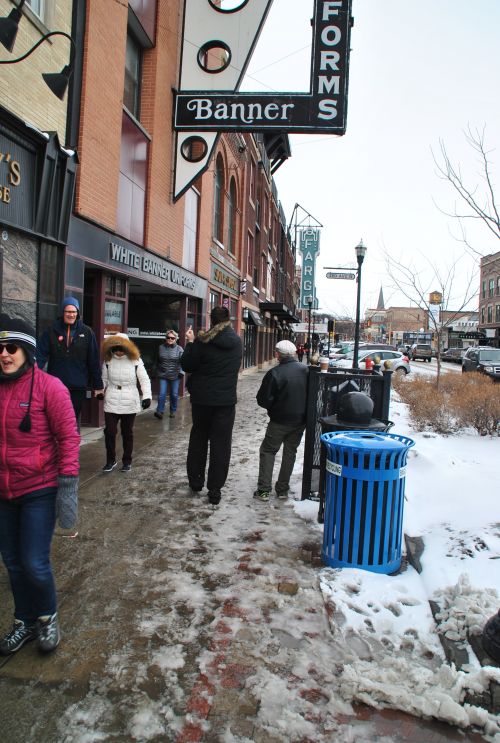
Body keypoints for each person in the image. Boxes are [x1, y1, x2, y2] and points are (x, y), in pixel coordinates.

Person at [0, 315, 80, 655]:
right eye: (0, 349)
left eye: (12, 348)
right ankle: (25, 620)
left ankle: (47, 617)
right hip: (4, 492)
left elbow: (69, 440)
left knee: (34, 562)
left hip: (39, 489)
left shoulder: (51, 388)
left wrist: (68, 493)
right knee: (13, 562)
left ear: (28, 352)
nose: (4, 354)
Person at [181, 306, 242, 505]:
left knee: (198, 439)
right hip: (225, 402)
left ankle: (196, 482)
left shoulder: (202, 341)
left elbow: (187, 365)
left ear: (212, 320)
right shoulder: (236, 343)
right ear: (229, 320)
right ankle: (215, 489)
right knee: (221, 444)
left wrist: (190, 343)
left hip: (202, 400)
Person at [253, 340, 309, 502]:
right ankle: (282, 489)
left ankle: (264, 490)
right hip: (299, 421)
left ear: (278, 354)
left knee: (268, 451)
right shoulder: (306, 371)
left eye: (275, 352)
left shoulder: (275, 373)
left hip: (279, 421)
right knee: (290, 453)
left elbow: (263, 400)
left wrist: (274, 405)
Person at [37, 296, 104, 423]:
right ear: (62, 313)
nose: (71, 315)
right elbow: (40, 356)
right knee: (54, 420)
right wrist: (31, 376)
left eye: (74, 312)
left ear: (78, 313)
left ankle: (70, 443)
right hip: (55, 385)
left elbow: (93, 361)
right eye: (68, 311)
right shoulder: (51, 331)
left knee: (71, 421)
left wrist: (98, 385)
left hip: (77, 386)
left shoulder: (87, 332)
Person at [101, 333, 152, 473]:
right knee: (110, 432)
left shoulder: (135, 361)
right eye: (116, 348)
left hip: (129, 399)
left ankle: (127, 461)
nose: (119, 351)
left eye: (121, 348)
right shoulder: (108, 360)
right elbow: (103, 379)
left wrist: (147, 396)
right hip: (112, 398)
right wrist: (100, 391)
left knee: (127, 432)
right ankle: (110, 460)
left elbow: (144, 379)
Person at [154, 330, 184, 420]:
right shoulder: (161, 347)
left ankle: (173, 411)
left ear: (175, 339)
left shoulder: (179, 349)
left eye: (172, 338)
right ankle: (160, 411)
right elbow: (157, 360)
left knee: (174, 394)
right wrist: (155, 370)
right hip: (163, 374)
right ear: (166, 338)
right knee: (162, 394)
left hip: (175, 375)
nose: (170, 339)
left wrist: (181, 372)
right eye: (168, 337)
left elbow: (183, 362)